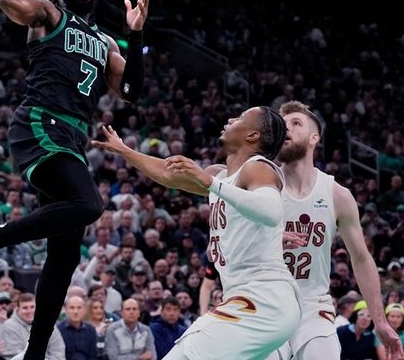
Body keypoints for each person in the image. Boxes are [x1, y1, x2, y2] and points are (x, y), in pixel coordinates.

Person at [0, 0, 150, 360]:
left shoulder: (107, 42)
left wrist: (135, 36)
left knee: (65, 254)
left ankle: (34, 353)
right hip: (40, 122)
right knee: (91, 204)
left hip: (72, 136)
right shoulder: (47, 14)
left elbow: (130, 89)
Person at [92, 106, 300, 360]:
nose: (231, 119)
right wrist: (124, 150)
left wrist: (209, 182)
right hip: (250, 300)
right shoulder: (222, 175)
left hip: (263, 300)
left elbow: (270, 211)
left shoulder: (256, 168)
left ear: (252, 136)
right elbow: (168, 174)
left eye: (241, 118)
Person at [266, 101, 402, 360]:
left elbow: (361, 258)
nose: (287, 130)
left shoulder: (337, 194)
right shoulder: (260, 182)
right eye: (282, 125)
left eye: (296, 124)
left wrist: (381, 320)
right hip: (267, 304)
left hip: (313, 307)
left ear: (314, 138)